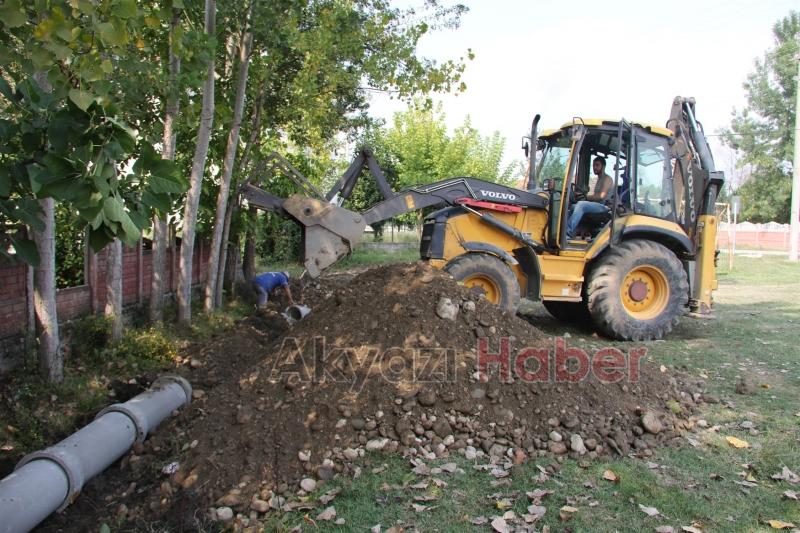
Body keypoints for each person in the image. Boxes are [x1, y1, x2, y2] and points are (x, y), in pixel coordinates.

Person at [566, 156, 614, 239]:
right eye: (593, 165)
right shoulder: (599, 179)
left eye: (597, 165)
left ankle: (568, 232)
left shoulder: (607, 179)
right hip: (598, 206)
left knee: (581, 205)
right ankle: (566, 232)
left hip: (605, 208)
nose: (594, 167)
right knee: (573, 206)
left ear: (603, 166)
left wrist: (585, 197)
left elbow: (600, 196)